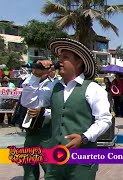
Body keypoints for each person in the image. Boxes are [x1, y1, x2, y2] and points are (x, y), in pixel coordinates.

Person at [21, 38, 112, 180]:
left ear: (79, 62)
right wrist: (35, 77)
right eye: (59, 57)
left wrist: (84, 137)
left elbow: (105, 119)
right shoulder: (53, 86)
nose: (59, 61)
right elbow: (30, 103)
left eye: (65, 57)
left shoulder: (93, 88)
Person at [22, 68, 59, 180]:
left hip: (46, 134)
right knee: (29, 168)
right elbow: (26, 102)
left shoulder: (55, 85)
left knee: (49, 169)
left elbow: (63, 111)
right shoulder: (31, 83)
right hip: (31, 131)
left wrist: (43, 112)